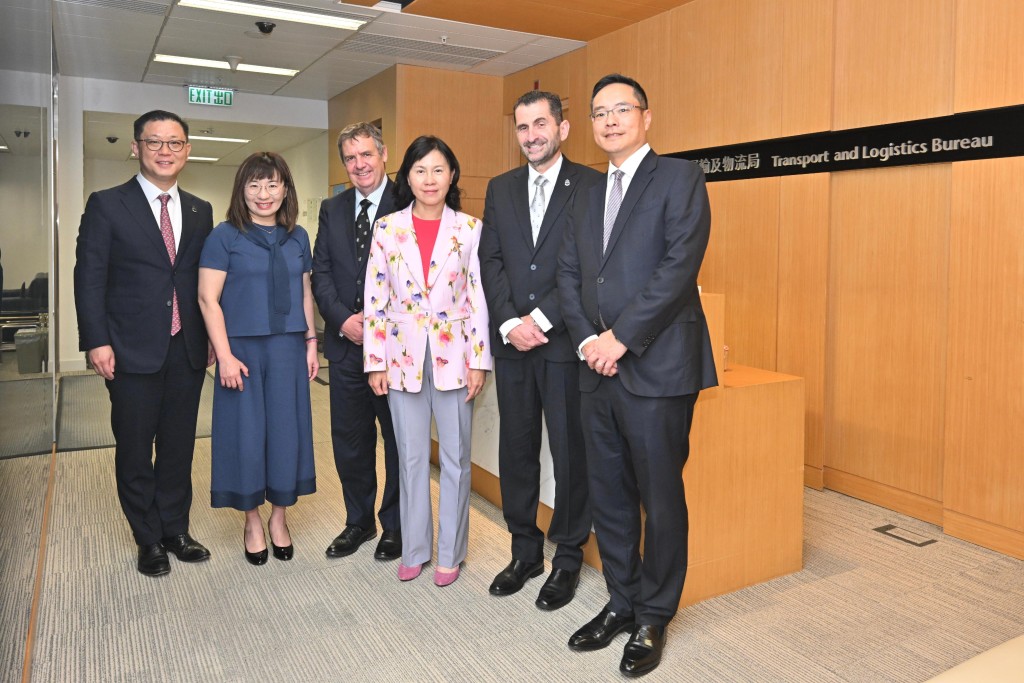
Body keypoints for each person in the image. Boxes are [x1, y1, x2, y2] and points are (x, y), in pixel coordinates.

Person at [556, 74, 717, 677]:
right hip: (596, 368)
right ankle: (620, 601)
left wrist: (621, 338)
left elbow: (679, 267)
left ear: (646, 117)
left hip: (656, 367)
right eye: (600, 112)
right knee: (610, 495)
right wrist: (590, 341)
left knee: (659, 495)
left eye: (622, 109)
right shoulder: (587, 192)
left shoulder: (680, 178)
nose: (611, 120)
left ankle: (653, 614)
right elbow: (569, 277)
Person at [74, 110, 213, 577]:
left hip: (186, 348)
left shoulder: (199, 210)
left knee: (178, 446)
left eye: (174, 143)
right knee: (135, 447)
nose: (165, 151)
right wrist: (96, 340)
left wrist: (212, 338)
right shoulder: (108, 204)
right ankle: (147, 537)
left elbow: (201, 283)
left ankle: (175, 528)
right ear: (136, 147)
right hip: (130, 348)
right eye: (154, 142)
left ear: (187, 150)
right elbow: (89, 277)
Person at [479, 90, 600, 610]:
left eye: (541, 123)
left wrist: (542, 319)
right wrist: (509, 321)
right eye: (523, 126)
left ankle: (567, 556)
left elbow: (590, 265)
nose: (532, 135)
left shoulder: (591, 185)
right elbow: (492, 261)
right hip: (513, 347)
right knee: (517, 450)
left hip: (565, 343)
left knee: (572, 453)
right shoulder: (500, 187)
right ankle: (524, 550)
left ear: (563, 128)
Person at [363, 135, 492, 586]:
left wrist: (480, 361)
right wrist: (375, 361)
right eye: (420, 170)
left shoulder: (470, 229)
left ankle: (450, 553)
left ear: (452, 175)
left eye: (438, 170)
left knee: (456, 457)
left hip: (456, 357)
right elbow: (375, 298)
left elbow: (478, 298)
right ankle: (415, 548)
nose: (429, 179)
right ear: (407, 177)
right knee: (411, 457)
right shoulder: (388, 229)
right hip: (401, 357)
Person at [198, 152, 318, 566]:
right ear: (241, 190)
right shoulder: (224, 236)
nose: (263, 194)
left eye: (272, 184)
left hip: (288, 347)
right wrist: (225, 356)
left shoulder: (299, 236)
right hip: (242, 352)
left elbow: (304, 292)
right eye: (254, 185)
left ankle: (280, 518)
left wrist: (311, 343)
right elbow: (207, 299)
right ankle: (251, 520)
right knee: (246, 437)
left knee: (287, 433)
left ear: (286, 188)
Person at [312, 123, 402, 562]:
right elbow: (321, 272)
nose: (360, 164)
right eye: (351, 158)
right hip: (347, 346)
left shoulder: (408, 200)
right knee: (350, 439)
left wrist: (384, 324)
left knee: (399, 440)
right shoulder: (333, 208)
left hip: (397, 351)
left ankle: (396, 526)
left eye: (367, 154)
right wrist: (343, 319)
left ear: (384, 154)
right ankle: (359, 521)